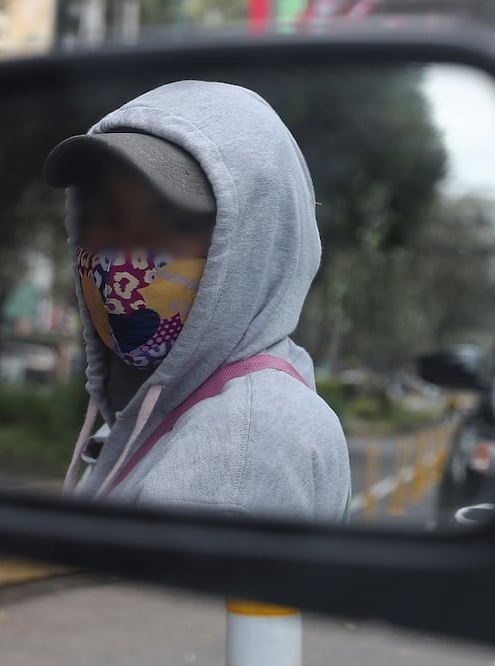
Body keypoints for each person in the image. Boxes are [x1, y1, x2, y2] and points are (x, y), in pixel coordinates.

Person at [44, 80, 351, 521]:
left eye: (171, 220)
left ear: (253, 243)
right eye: (105, 217)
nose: (122, 260)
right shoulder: (191, 403)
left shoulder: (243, 443)